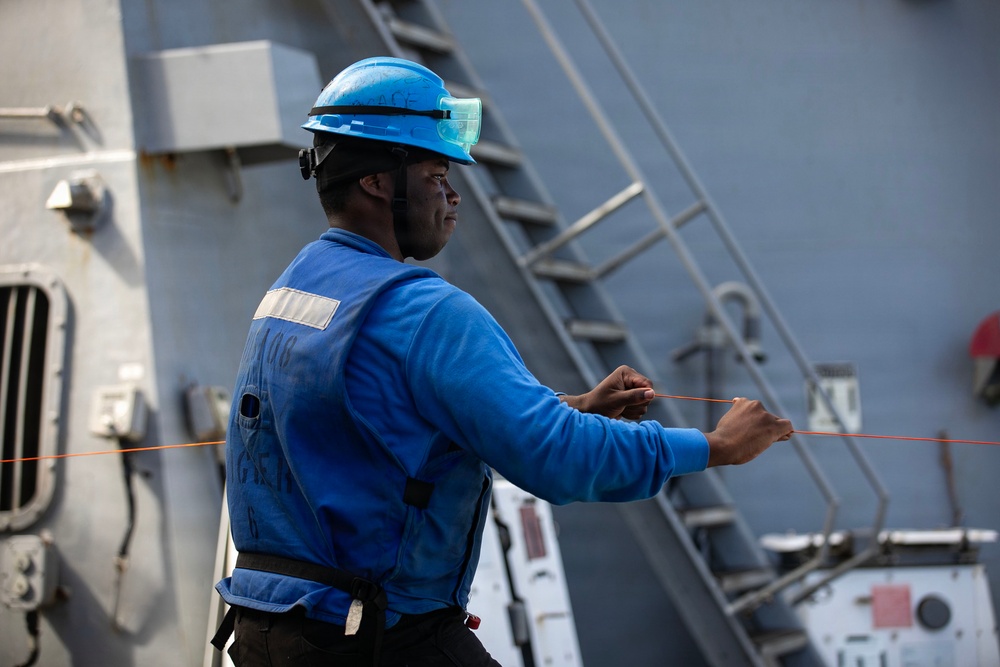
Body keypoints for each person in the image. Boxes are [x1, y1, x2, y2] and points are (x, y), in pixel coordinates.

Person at [211, 56, 792, 667]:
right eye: (437, 173)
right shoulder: (427, 313)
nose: (454, 196)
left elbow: (384, 423)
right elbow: (560, 459)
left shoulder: (296, 289)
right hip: (382, 641)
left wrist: (568, 408)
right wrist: (715, 446)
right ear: (379, 182)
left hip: (270, 633)